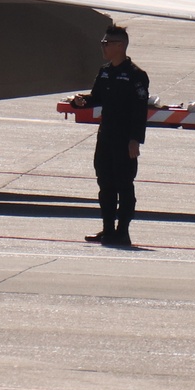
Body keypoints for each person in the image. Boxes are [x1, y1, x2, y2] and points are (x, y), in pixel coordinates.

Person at [74, 25, 150, 247]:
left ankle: (122, 231)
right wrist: (80, 102)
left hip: (124, 139)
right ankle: (107, 229)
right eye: (103, 43)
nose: (103, 47)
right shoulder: (105, 71)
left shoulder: (136, 76)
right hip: (105, 136)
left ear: (120, 46)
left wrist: (135, 140)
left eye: (106, 43)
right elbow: (96, 97)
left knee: (124, 184)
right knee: (105, 183)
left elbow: (140, 111)